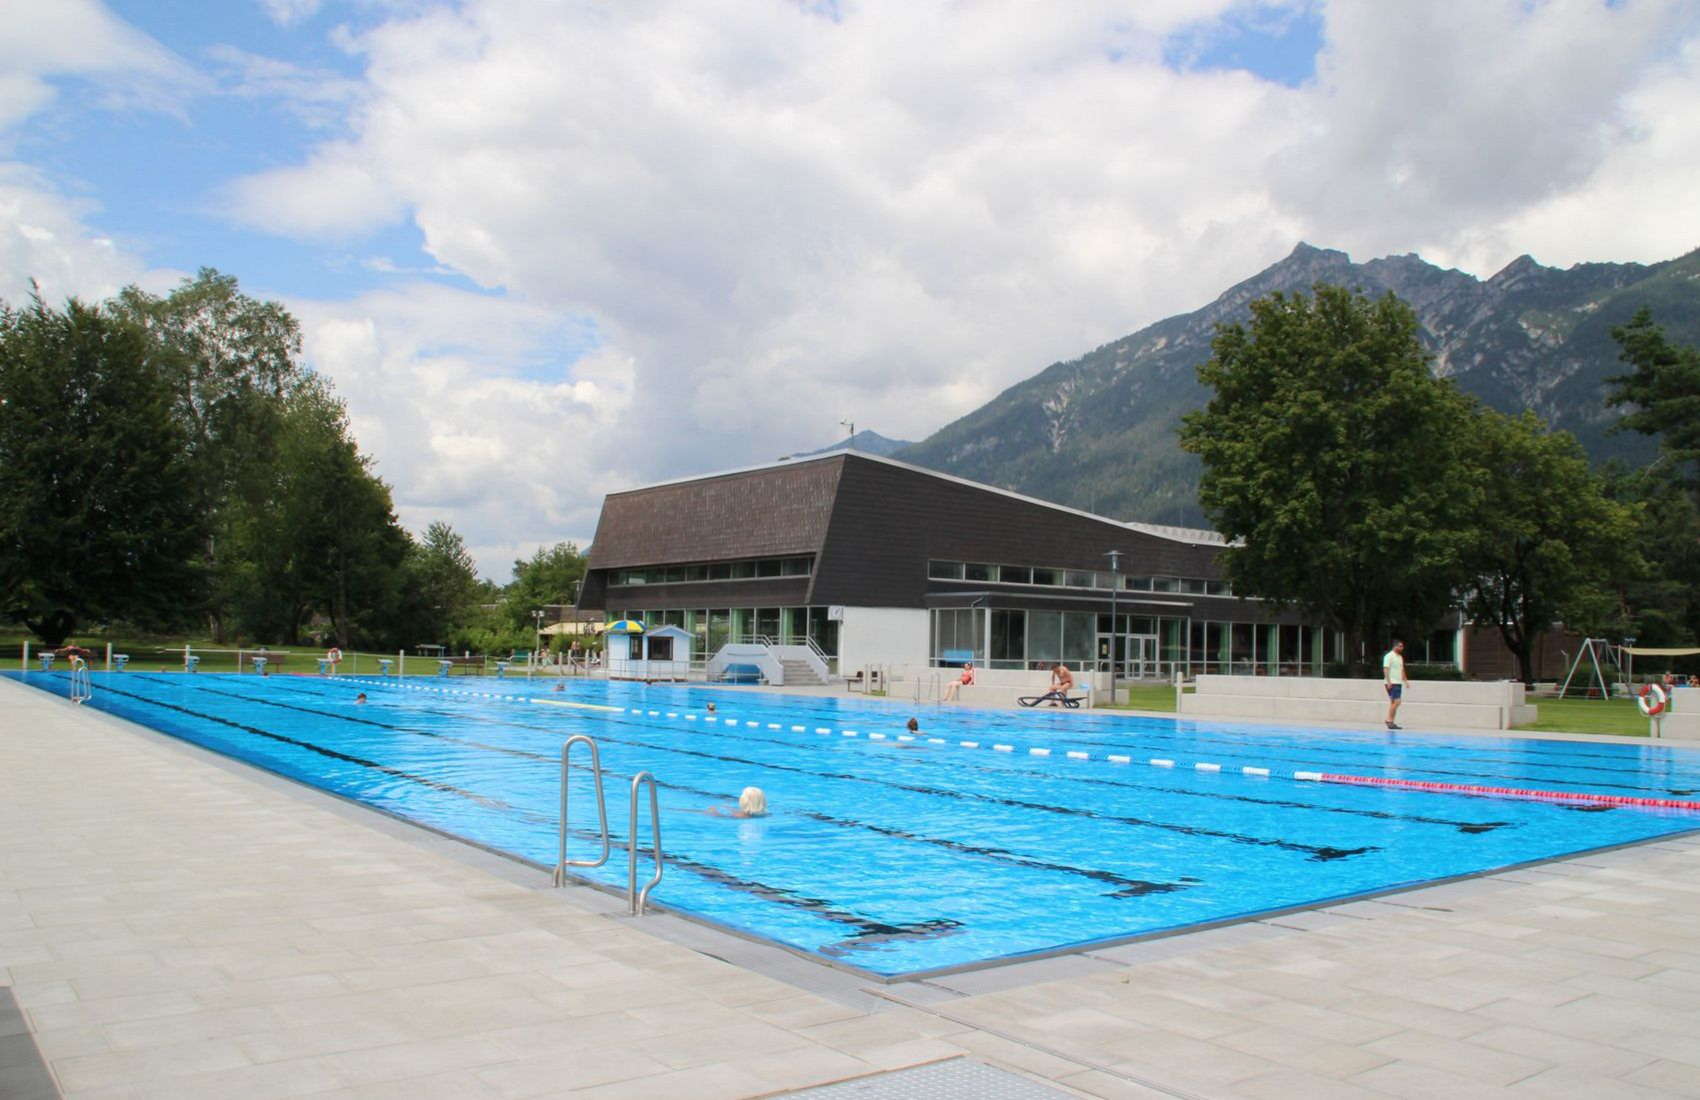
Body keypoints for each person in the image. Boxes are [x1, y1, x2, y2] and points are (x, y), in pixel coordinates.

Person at [1382, 640, 1407, 730]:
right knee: (1397, 701)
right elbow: (1386, 669)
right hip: (1392, 682)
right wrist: (1388, 682)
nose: (1402, 648)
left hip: (1398, 682)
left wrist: (1405, 681)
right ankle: (1388, 720)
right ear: (1395, 646)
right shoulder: (1389, 656)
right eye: (1400, 646)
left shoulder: (1400, 657)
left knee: (1393, 702)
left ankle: (1391, 722)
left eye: (1402, 646)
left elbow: (1402, 669)